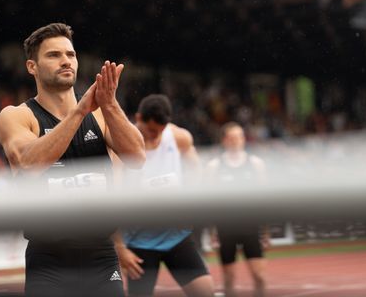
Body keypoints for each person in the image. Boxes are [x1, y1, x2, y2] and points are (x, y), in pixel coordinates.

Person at [0, 23, 145, 297]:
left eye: (71, 54)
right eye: (53, 55)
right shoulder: (17, 116)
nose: (65, 60)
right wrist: (77, 113)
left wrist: (110, 104)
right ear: (32, 67)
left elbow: (137, 156)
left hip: (100, 254)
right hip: (49, 257)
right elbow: (29, 163)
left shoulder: (100, 112)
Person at [115, 94, 213, 297]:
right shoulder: (121, 146)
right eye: (150, 130)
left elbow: (197, 175)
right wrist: (119, 247)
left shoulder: (179, 138)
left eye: (160, 131)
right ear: (138, 118)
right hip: (139, 242)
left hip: (176, 236)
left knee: (205, 291)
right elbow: (111, 199)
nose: (155, 137)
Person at [205, 122, 269, 297]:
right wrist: (212, 231)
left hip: (250, 226)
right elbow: (211, 202)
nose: (236, 141)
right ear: (224, 140)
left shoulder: (256, 164)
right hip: (225, 228)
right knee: (229, 278)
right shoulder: (214, 166)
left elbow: (263, 199)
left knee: (260, 276)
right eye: (232, 137)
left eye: (240, 137)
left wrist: (265, 230)